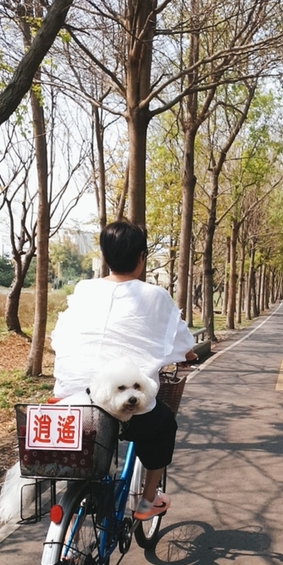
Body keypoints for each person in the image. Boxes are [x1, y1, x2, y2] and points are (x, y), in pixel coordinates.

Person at [51, 220, 196, 520]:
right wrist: (187, 354)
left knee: (87, 444)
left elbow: (59, 336)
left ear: (105, 257)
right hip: (123, 407)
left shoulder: (83, 289)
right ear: (142, 257)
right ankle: (146, 502)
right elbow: (181, 341)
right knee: (164, 423)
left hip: (70, 399)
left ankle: (79, 503)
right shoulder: (154, 296)